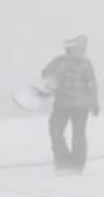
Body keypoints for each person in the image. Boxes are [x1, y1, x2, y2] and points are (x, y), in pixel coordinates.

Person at [40, 36, 100, 173]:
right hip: (66, 104)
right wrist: (94, 102)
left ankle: (72, 163)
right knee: (60, 131)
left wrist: (94, 101)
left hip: (74, 104)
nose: (82, 51)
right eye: (79, 48)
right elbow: (45, 74)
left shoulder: (82, 64)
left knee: (74, 133)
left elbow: (91, 84)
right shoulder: (61, 62)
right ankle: (67, 162)